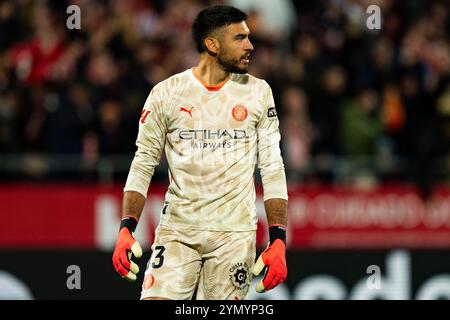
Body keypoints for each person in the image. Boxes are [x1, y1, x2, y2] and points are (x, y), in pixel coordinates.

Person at [112, 5, 288, 300]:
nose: (250, 45)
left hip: (234, 236)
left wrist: (279, 239)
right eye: (240, 38)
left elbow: (272, 167)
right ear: (212, 44)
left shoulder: (259, 93)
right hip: (178, 230)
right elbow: (143, 162)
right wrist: (126, 228)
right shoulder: (166, 93)